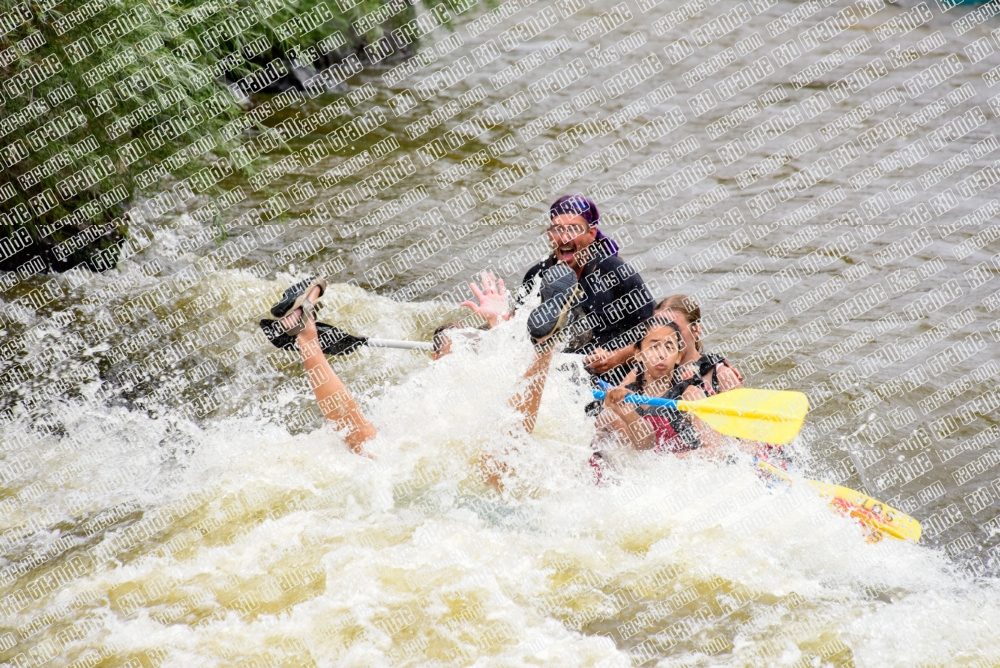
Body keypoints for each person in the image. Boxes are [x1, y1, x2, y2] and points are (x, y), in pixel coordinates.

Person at [461, 195, 655, 384]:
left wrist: (617, 357)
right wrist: (498, 319)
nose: (564, 238)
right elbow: (517, 339)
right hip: (556, 380)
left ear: (591, 234)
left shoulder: (616, 273)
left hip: (611, 382)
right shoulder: (536, 276)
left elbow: (657, 329)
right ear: (549, 234)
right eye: (558, 229)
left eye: (573, 229)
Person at [591, 318, 722, 481]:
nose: (661, 354)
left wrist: (665, 463)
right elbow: (600, 442)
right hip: (633, 478)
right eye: (654, 347)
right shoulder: (625, 392)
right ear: (638, 354)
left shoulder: (689, 396)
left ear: (679, 356)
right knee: (608, 416)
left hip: (679, 478)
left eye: (669, 347)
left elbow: (716, 451)